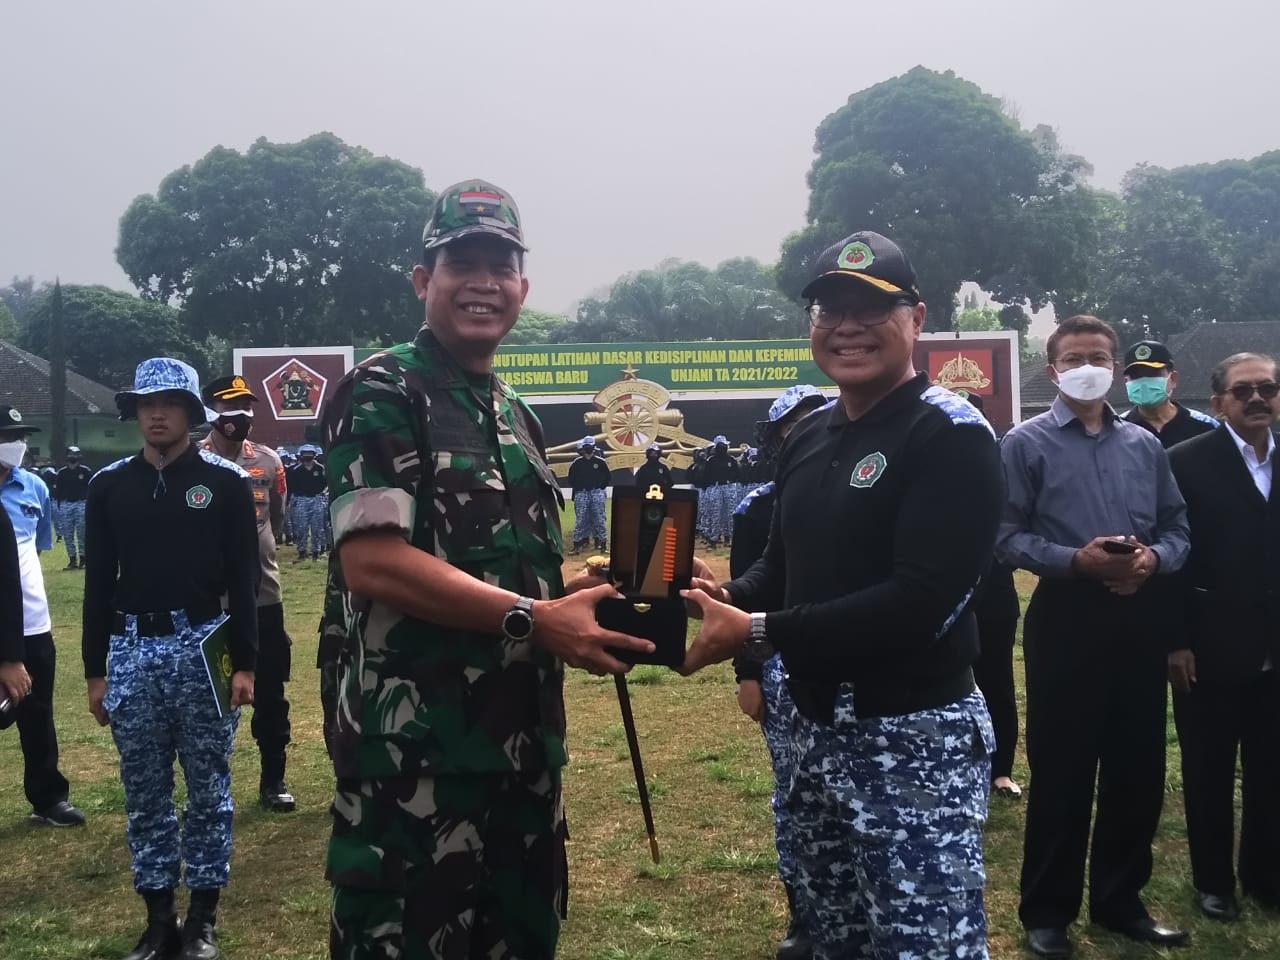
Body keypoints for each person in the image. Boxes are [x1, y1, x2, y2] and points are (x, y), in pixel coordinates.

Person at [321, 179, 653, 960]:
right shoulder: (383, 387)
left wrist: (588, 598)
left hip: (522, 752)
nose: (482, 281)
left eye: (499, 264)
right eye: (459, 261)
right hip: (417, 765)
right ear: (422, 281)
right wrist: (536, 619)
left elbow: (510, 576)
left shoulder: (515, 412)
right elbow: (374, 563)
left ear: (522, 287)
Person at [680, 231, 1002, 959]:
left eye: (872, 307)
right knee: (833, 933)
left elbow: (920, 605)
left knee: (924, 942)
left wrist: (756, 626)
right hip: (809, 729)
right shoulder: (812, 435)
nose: (847, 325)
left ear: (917, 319)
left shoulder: (949, 435)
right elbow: (783, 568)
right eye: (830, 307)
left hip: (910, 734)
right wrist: (717, 594)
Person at [997, 315, 1191, 958]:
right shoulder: (1023, 443)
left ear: (1115, 367)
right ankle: (1048, 910)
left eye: (1100, 356)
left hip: (1139, 614)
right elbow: (1003, 537)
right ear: (1051, 370)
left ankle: (1120, 901)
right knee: (1063, 767)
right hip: (1068, 616)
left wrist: (1151, 561)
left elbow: (1177, 528)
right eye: (1075, 356)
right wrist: (1074, 560)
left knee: (1138, 765)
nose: (1089, 365)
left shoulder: (1144, 445)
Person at [82, 358, 259, 960]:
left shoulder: (227, 482)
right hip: (132, 647)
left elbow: (243, 579)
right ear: (134, 411)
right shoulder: (108, 486)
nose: (155, 414)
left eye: (169, 403)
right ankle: (158, 920)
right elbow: (98, 582)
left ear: (190, 411)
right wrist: (95, 671)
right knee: (145, 790)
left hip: (203, 644)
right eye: (144, 404)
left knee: (208, 787)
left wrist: (245, 664)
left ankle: (202, 919)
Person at [1167, 352, 1280, 920]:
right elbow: (1173, 560)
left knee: (1271, 771)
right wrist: (1175, 640)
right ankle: (1214, 882)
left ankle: (1265, 875)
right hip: (1207, 647)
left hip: (1275, 649)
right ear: (1217, 403)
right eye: (1243, 391)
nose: (1256, 398)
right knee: (1209, 771)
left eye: (1267, 388)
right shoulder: (1184, 462)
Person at [728, 382, 827, 960]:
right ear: (777, 439)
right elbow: (746, 598)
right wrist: (748, 672)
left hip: (852, 663)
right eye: (795, 425)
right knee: (796, 798)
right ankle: (803, 916)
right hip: (780, 663)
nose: (809, 432)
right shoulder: (758, 506)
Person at [200, 375, 296, 813]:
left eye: (246, 406)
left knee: (270, 689)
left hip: (263, 597)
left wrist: (257, 553)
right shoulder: (192, 461)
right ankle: (208, 788)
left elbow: (276, 518)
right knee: (207, 695)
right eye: (230, 406)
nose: (240, 415)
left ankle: (273, 780)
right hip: (207, 600)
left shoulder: (271, 462)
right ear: (211, 413)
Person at [0, 404, 83, 828]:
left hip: (33, 623)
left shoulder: (33, 487)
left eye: (21, 436)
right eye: (7, 436)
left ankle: (48, 797)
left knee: (38, 713)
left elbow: (33, 551)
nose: (16, 444)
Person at [963, 392, 1023, 800]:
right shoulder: (920, 466)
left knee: (996, 678)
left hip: (993, 592)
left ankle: (1000, 769)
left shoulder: (1000, 469)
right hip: (934, 595)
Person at [1122, 340, 1218, 446]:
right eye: (1136, 376)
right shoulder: (1117, 430)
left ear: (1173, 378)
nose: (1144, 381)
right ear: (1127, 382)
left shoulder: (1206, 426)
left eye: (1152, 374)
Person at [567, 436, 610, 553]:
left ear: (594, 447)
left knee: (600, 519)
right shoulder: (577, 463)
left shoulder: (600, 462)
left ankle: (603, 544)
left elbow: (607, 477)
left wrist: (600, 487)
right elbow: (571, 479)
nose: (588, 449)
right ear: (583, 448)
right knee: (581, 519)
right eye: (586, 447)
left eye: (590, 446)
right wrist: (579, 488)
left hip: (597, 492)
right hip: (582, 493)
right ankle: (577, 545)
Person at [54, 445, 94, 570]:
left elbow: (92, 489)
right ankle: (72, 560)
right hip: (66, 505)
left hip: (81, 504)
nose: (73, 457)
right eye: (71, 454)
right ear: (66, 456)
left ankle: (83, 559)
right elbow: (58, 491)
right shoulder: (62, 473)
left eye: (76, 454)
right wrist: (59, 506)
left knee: (82, 533)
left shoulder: (86, 471)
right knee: (68, 534)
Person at [287, 443, 328, 561]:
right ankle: (302, 552)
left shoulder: (320, 469)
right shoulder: (295, 470)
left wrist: (322, 495)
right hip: (301, 500)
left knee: (317, 527)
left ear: (314, 455)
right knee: (301, 527)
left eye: (310, 454)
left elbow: (326, 484)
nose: (307, 456)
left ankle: (317, 552)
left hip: (317, 499)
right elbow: (291, 487)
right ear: (301, 456)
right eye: (305, 454)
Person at [700, 435, 739, 547]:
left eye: (724, 446)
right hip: (715, 487)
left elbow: (737, 473)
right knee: (715, 514)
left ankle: (729, 538)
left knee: (730, 513)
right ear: (716, 447)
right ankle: (713, 539)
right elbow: (706, 475)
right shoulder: (711, 461)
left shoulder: (731, 459)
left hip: (729, 487)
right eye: (720, 446)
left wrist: (731, 481)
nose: (722, 448)